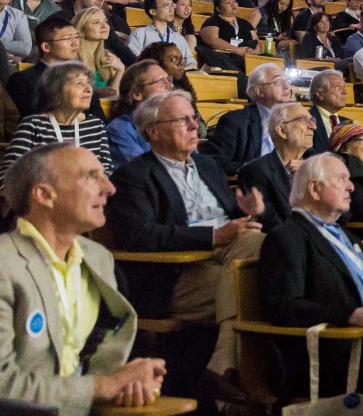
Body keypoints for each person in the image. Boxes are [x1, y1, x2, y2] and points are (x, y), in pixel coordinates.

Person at [0, 143, 168, 414]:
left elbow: (89, 359)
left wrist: (129, 381)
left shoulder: (98, 258)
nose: (109, 188)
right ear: (44, 195)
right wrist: (103, 386)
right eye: (91, 176)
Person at [106, 90, 266, 378]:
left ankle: (223, 366)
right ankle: (253, 382)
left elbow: (233, 221)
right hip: (175, 273)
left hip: (227, 256)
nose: (195, 127)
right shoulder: (133, 176)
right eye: (183, 120)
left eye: (195, 118)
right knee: (252, 285)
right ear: (154, 131)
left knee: (259, 245)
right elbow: (142, 235)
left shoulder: (208, 165)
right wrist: (213, 236)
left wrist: (250, 213)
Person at [258, 153, 363, 415]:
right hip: (337, 352)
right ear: (315, 189)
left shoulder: (346, 236)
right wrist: (350, 315)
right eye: (342, 179)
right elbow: (285, 308)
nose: (351, 186)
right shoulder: (286, 238)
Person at [0, 59, 112, 190]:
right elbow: (5, 177)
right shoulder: (33, 125)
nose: (88, 89)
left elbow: (107, 170)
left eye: (88, 83)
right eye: (79, 83)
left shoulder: (95, 126)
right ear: (55, 93)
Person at [201, 62, 293, 174]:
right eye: (279, 82)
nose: (287, 87)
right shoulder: (235, 121)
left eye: (287, 81)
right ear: (259, 91)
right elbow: (214, 162)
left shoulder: (297, 119)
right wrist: (254, 168)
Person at [238, 103, 315, 229]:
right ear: (282, 131)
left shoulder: (314, 169)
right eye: (303, 120)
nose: (313, 126)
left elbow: (342, 215)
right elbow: (273, 225)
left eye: (312, 120)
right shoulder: (255, 172)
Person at [106, 60, 170, 169]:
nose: (169, 86)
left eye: (168, 80)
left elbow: (194, 165)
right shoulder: (119, 130)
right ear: (137, 94)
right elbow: (146, 172)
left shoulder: (174, 123)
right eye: (161, 81)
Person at [127, 0, 196, 68]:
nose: (171, 10)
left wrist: (175, 72)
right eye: (166, 6)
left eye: (172, 5)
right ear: (153, 11)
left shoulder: (178, 38)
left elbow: (192, 63)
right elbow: (132, 61)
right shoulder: (140, 34)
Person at [71, 7, 123, 98]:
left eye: (105, 21)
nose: (104, 26)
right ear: (81, 30)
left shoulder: (106, 57)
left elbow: (111, 98)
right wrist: (95, 93)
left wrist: (120, 70)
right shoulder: (72, 59)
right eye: (96, 22)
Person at [198, 0, 256, 64]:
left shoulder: (245, 23)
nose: (233, 5)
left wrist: (254, 52)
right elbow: (212, 40)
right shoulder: (212, 21)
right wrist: (236, 50)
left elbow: (256, 41)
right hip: (224, 58)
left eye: (234, 1)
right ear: (218, 8)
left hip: (247, 57)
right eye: (228, 3)